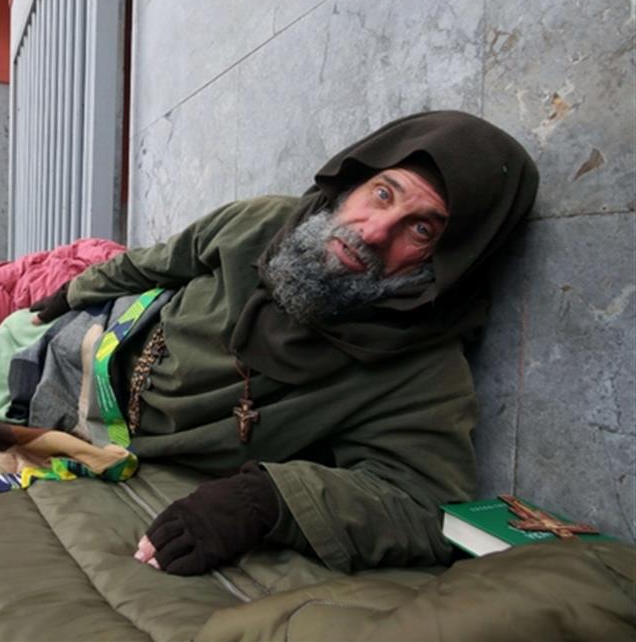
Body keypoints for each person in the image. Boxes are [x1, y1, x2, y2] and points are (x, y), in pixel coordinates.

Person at [27, 110, 539, 576]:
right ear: (352, 183)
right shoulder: (262, 222)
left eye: (422, 228)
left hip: (111, 434)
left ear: (449, 259)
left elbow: (424, 503)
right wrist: (68, 292)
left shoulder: (420, 364)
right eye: (383, 193)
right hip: (102, 335)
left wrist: (269, 500)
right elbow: (152, 263)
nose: (378, 231)